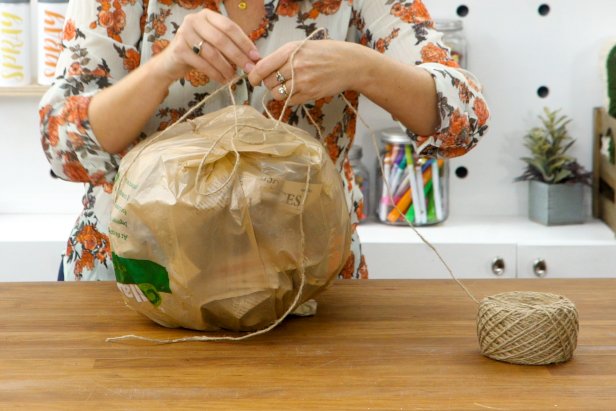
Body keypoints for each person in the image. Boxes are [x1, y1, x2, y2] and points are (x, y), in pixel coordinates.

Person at [40, 0, 490, 282]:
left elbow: (464, 115)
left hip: (302, 283)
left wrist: (362, 66)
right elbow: (62, 143)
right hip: (141, 279)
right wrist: (165, 66)